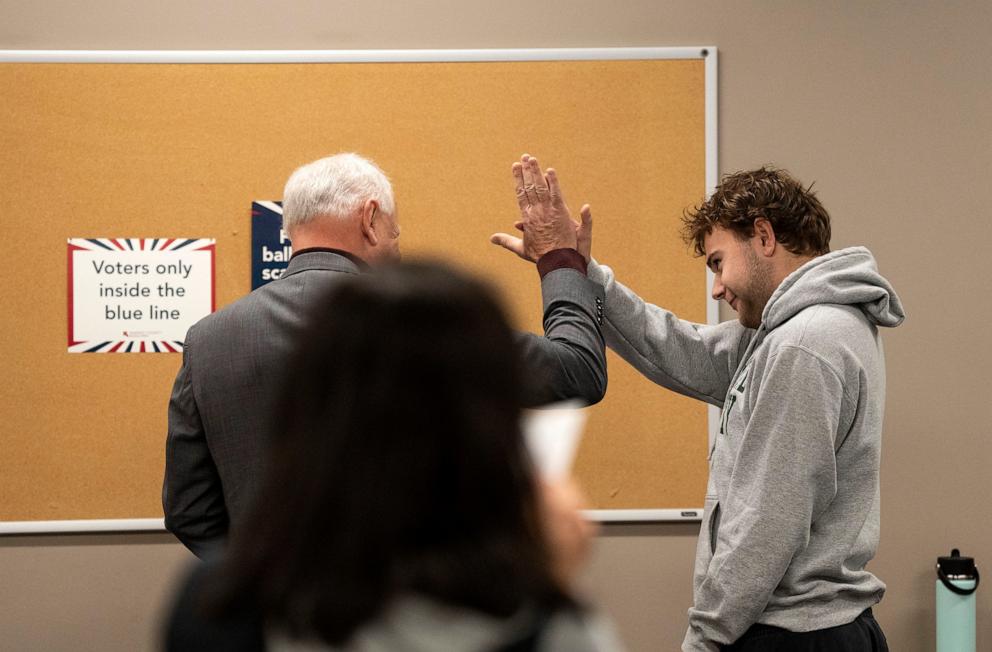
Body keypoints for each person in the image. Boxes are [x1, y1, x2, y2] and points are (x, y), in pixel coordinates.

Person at [492, 160, 905, 651]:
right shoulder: (792, 332)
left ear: (764, 236)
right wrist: (582, 275)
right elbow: (681, 350)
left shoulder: (804, 343)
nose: (716, 287)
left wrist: (703, 641)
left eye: (717, 262)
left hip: (795, 637)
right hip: (801, 630)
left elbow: (766, 525)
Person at [164, 261, 624, 652]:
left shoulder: (212, 607)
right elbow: (576, 370)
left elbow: (189, 509)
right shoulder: (545, 625)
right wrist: (549, 583)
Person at [164, 153, 606, 558]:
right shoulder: (425, 318)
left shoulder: (207, 339)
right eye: (396, 229)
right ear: (371, 219)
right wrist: (558, 259)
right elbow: (577, 371)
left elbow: (188, 509)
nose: (396, 243)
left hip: (270, 624)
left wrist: (263, 579)